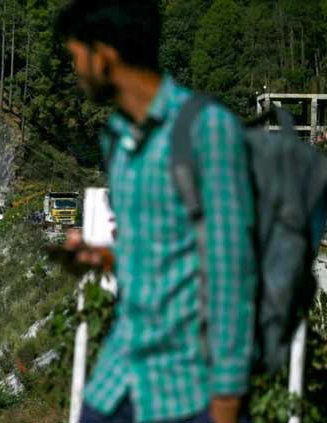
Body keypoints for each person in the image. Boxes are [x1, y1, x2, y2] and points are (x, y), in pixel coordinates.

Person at [56, 2, 256, 423]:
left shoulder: (206, 129)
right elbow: (155, 252)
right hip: (119, 374)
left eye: (77, 56)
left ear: (105, 55)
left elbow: (233, 272)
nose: (76, 69)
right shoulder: (117, 137)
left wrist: (226, 401)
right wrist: (102, 257)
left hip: (190, 389)